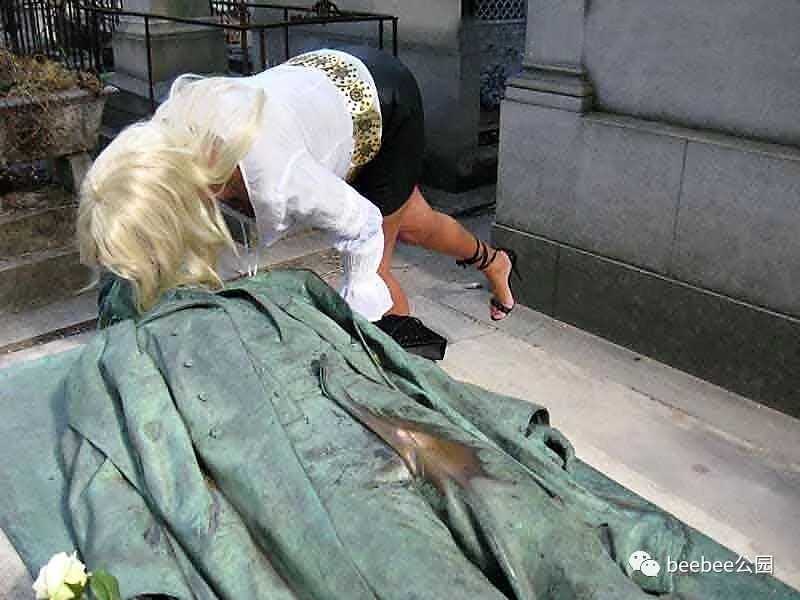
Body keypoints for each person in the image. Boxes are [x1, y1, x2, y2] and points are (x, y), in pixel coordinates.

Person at [77, 46, 517, 324]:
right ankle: (494, 262)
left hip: (384, 100)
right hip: (324, 97)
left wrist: (359, 305)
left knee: (375, 273)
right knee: (415, 222)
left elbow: (363, 225)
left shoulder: (279, 174)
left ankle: (411, 396)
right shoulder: (164, 143)